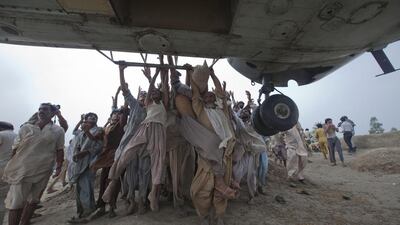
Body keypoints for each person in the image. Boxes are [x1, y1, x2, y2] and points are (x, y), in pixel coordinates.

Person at [107, 60, 169, 213]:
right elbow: (126, 90)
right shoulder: (139, 106)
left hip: (154, 138)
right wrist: (122, 71)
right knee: (128, 167)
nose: (147, 96)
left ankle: (147, 198)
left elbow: (161, 89)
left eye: (154, 93)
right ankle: (124, 194)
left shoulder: (160, 105)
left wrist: (155, 74)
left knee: (149, 169)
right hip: (139, 136)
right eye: (144, 95)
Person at [3, 103, 65, 225]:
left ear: (52, 113)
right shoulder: (26, 128)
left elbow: (59, 149)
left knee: (34, 200)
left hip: (44, 169)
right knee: (16, 203)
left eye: (45, 109)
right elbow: (15, 148)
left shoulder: (58, 130)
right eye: (39, 109)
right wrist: (11, 165)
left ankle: (25, 222)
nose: (41, 111)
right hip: (22, 169)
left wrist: (58, 167)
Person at [90, 88, 127, 218]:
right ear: (110, 116)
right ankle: (101, 207)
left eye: (118, 114)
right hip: (105, 156)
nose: (116, 115)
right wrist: (115, 96)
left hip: (116, 156)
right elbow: (94, 139)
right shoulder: (105, 128)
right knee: (103, 182)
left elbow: (123, 112)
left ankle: (112, 206)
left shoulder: (121, 126)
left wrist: (122, 95)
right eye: (114, 114)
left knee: (113, 182)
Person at [69, 113, 104, 222]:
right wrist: (80, 121)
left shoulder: (99, 130)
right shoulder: (80, 133)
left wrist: (86, 152)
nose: (92, 118)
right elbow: (74, 132)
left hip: (90, 162)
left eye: (94, 117)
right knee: (79, 188)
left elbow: (98, 144)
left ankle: (88, 211)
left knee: (86, 186)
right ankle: (82, 211)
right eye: (90, 117)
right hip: (78, 164)